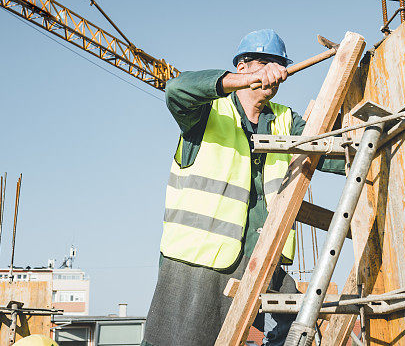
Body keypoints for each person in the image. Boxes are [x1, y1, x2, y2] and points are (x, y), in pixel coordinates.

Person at [142, 29, 346, 346]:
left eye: (277, 65)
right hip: (200, 262)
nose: (272, 72)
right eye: (264, 63)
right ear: (241, 67)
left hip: (264, 258)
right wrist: (245, 83)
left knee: (297, 332)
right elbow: (176, 89)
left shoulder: (287, 121)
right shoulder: (207, 111)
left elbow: (331, 155)